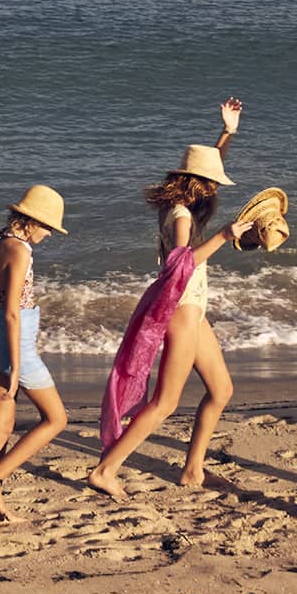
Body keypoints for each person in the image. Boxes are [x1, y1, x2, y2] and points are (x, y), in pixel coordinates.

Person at [89, 99, 246, 500]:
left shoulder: (185, 203)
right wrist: (224, 237)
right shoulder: (181, 216)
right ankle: (106, 470)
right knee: (165, 402)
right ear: (198, 184)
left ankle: (193, 470)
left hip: (195, 309)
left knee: (221, 389)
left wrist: (227, 133)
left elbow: (208, 168)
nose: (216, 187)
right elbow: (182, 263)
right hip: (182, 308)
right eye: (212, 182)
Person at [0, 185, 70, 523]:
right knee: (57, 419)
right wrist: (16, 366)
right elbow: (15, 311)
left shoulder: (1, 239)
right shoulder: (20, 251)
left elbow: (4, 306)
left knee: (1, 425)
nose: (49, 234)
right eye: (47, 227)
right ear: (31, 221)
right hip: (15, 339)